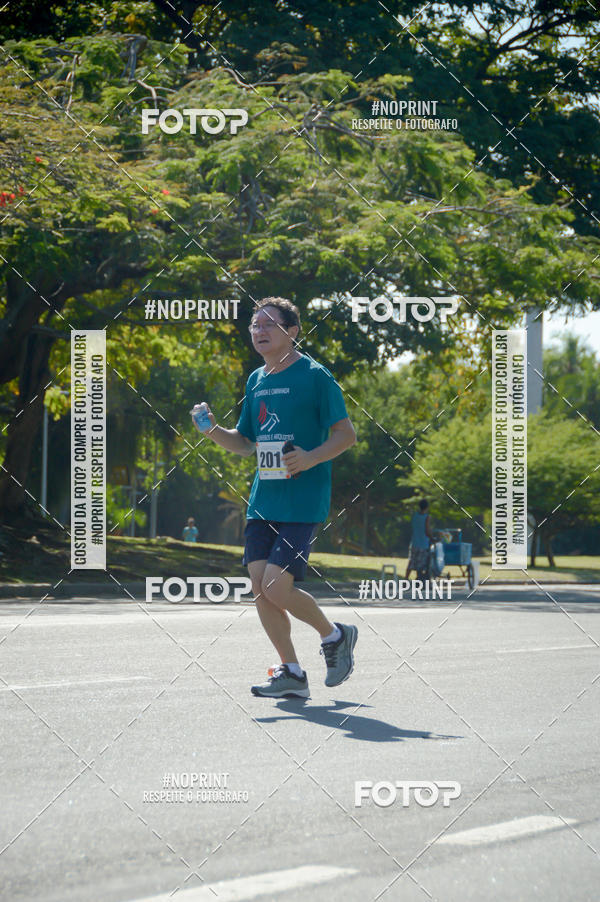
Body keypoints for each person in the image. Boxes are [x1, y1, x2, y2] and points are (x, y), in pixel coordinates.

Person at [192, 297, 358, 698]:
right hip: (264, 498)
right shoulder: (257, 380)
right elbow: (246, 442)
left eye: (269, 324)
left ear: (293, 331)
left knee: (276, 587)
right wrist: (211, 430)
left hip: (303, 499)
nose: (259, 331)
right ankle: (292, 674)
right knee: (259, 588)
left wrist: (310, 457)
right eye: (254, 325)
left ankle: (335, 635)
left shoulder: (316, 376)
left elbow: (346, 435)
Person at [405, 499, 434, 581]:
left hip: (414, 542)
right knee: (421, 564)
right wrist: (432, 538)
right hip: (423, 544)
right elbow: (427, 531)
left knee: (411, 562)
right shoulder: (427, 517)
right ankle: (420, 579)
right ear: (427, 507)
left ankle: (405, 579)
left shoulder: (414, 516)